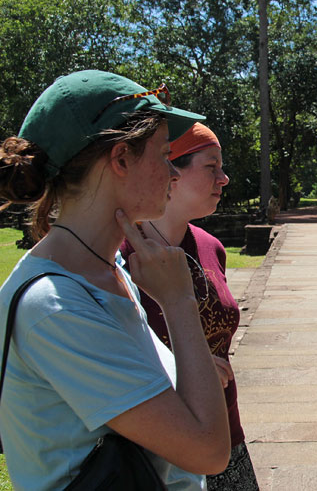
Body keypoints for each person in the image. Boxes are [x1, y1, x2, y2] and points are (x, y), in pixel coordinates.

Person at [0, 70, 230, 489]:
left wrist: (188, 371)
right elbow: (209, 451)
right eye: (163, 155)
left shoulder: (111, 271)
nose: (173, 174)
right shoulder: (55, 307)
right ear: (121, 159)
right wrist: (179, 303)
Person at [120, 122, 259, 490]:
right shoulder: (122, 257)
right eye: (211, 166)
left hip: (227, 434)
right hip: (162, 448)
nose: (224, 178)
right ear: (171, 171)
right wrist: (181, 366)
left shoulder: (211, 247)